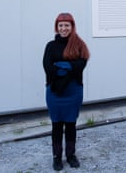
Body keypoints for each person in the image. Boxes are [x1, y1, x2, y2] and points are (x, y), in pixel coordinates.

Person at [43, 12, 90, 171]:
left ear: (72, 27)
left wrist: (61, 65)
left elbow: (80, 65)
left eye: (66, 25)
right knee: (56, 125)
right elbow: (48, 67)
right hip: (54, 91)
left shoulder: (79, 45)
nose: (63, 28)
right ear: (57, 27)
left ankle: (71, 155)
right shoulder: (50, 46)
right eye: (60, 25)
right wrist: (68, 66)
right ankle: (57, 157)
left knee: (71, 124)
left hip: (73, 91)